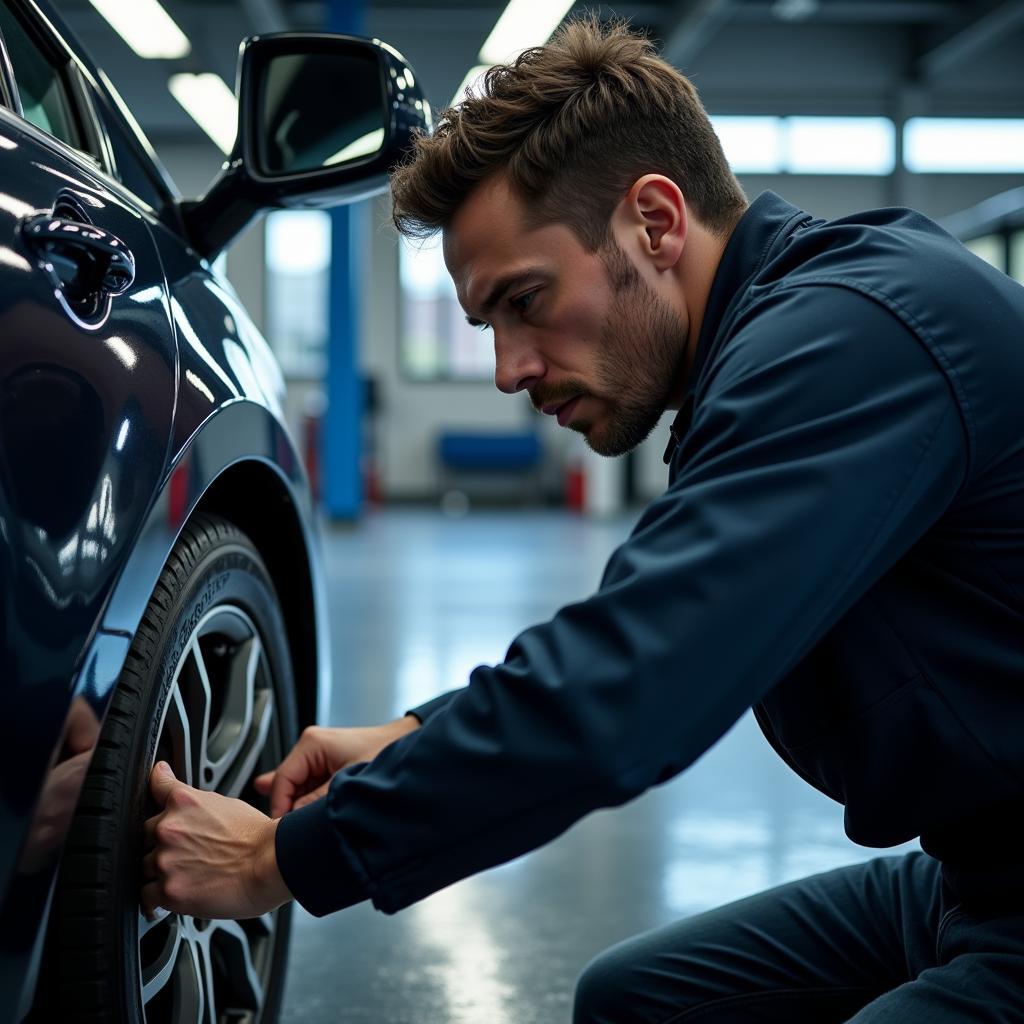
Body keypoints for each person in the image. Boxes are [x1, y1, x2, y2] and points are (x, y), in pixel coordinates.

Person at [141, 17, 1024, 1022]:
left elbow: (634, 680)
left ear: (654, 222)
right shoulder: (781, 341)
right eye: (487, 326)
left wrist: (278, 857)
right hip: (972, 877)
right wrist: (410, 735)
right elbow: (652, 626)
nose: (510, 369)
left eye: (526, 300)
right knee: (633, 1000)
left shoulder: (850, 343)